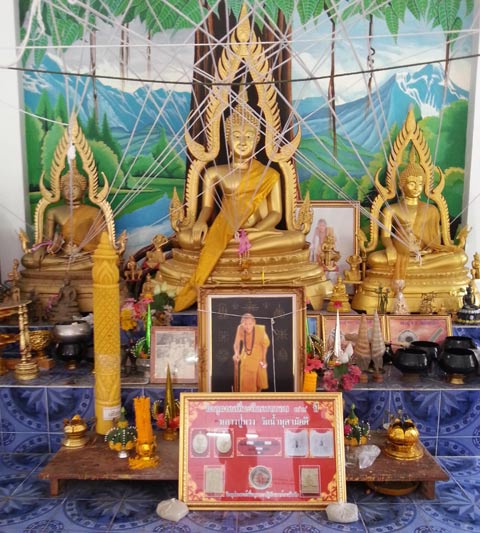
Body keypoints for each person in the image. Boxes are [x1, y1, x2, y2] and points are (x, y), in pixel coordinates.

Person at [173, 102, 306, 311]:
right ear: (226, 139)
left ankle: (229, 252)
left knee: (296, 239)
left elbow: (276, 213)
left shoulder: (270, 174)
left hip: (257, 235)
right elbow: (207, 207)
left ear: (258, 139)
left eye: (249, 137)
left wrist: (254, 232)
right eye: (236, 136)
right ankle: (226, 251)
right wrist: (200, 222)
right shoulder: (215, 173)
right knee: (186, 239)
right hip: (223, 233)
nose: (242, 142)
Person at [367, 152, 467, 280]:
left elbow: (435, 240)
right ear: (401, 185)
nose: (416, 188)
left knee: (460, 257)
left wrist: (429, 250)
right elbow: (385, 236)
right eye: (412, 183)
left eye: (420, 184)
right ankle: (418, 266)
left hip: (426, 255)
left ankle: (414, 266)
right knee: (374, 259)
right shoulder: (391, 209)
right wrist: (390, 248)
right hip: (401, 253)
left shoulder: (431, 209)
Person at [21, 163, 106, 271]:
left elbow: (104, 241)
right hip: (62, 254)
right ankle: (70, 268)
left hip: (85, 255)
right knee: (27, 260)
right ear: (61, 190)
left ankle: (59, 269)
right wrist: (42, 249)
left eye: (74, 188)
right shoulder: (53, 212)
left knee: (104, 259)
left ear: (83, 189)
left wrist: (80, 250)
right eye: (66, 188)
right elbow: (48, 239)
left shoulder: (94, 212)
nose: (70, 191)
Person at [232, 313, 270, 392]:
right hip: (246, 355)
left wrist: (264, 359)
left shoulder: (260, 330)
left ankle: (257, 396)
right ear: (242, 324)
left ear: (254, 323)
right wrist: (236, 353)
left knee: (259, 382)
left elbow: (265, 345)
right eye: (245, 324)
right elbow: (236, 343)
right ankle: (247, 397)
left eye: (250, 324)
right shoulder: (240, 328)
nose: (248, 326)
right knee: (246, 381)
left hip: (259, 356)